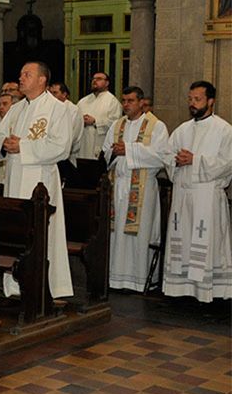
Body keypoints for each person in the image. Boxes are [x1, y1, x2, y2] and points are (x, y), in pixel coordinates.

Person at [0, 62, 74, 299]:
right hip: (14, 177)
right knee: (16, 231)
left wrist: (23, 146)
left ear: (42, 80)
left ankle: (42, 284)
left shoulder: (57, 109)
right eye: (20, 74)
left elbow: (62, 147)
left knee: (41, 231)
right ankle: (14, 286)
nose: (21, 78)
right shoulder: (17, 108)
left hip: (40, 181)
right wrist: (4, 144)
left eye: (26, 74)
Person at [162, 81, 232, 302]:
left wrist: (195, 160)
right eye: (190, 99)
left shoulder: (224, 130)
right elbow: (167, 153)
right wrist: (176, 160)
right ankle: (181, 288)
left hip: (207, 196)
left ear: (211, 101)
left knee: (206, 241)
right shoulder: (183, 129)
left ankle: (208, 291)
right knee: (182, 239)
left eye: (197, 99)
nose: (192, 104)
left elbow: (227, 162)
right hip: (183, 195)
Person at [103, 86, 169, 292]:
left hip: (143, 188)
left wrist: (129, 150)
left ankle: (138, 281)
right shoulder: (117, 124)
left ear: (141, 102)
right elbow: (105, 152)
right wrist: (114, 153)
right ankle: (116, 278)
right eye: (124, 100)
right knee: (116, 234)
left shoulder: (156, 126)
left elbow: (162, 156)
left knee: (138, 234)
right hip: (119, 185)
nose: (126, 104)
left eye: (131, 100)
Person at [75, 71, 121, 159]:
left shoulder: (112, 101)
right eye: (93, 79)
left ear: (107, 83)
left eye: (99, 79)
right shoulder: (83, 101)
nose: (94, 81)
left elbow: (116, 125)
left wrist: (95, 122)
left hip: (100, 144)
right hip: (83, 146)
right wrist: (81, 121)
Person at [48, 81, 83, 166]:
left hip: (66, 155)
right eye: (50, 93)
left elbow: (73, 134)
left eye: (55, 93)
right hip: (48, 153)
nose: (51, 96)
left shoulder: (73, 110)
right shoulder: (48, 108)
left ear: (64, 94)